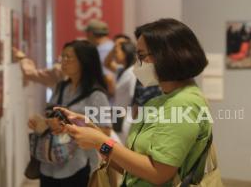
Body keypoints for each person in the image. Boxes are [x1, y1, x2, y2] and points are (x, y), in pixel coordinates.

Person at [57, 18, 213, 186]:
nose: (136, 65)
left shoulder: (184, 103)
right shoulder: (160, 100)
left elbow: (158, 174)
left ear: (166, 55)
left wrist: (100, 141)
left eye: (141, 56)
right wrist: (95, 136)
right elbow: (132, 168)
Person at [28, 40, 111, 187]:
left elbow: (105, 132)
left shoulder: (97, 95)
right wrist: (43, 123)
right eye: (62, 57)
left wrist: (69, 127)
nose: (63, 62)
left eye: (68, 57)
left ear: (84, 61)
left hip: (79, 165)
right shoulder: (60, 87)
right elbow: (51, 115)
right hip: (48, 162)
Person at [104, 38, 137, 136]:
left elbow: (133, 98)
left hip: (126, 117)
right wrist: (115, 46)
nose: (114, 55)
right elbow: (106, 63)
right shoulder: (122, 70)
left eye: (117, 52)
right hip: (118, 115)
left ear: (126, 53)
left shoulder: (132, 73)